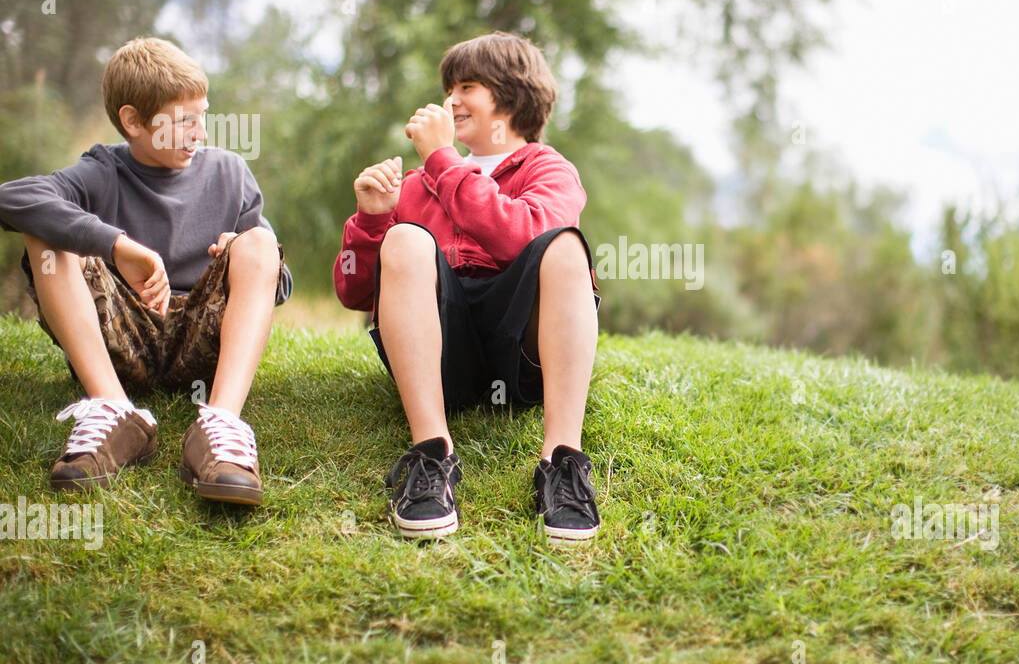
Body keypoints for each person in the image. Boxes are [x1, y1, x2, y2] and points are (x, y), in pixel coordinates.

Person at [334, 31, 602, 544]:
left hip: (522, 362)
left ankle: (562, 462)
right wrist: (371, 222)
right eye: (448, 88)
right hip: (443, 362)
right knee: (406, 240)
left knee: (565, 245)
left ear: (512, 94)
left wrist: (442, 159)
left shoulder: (548, 169)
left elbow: (522, 236)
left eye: (468, 87)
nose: (451, 100)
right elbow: (352, 291)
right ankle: (432, 455)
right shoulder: (416, 185)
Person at [0, 37, 291, 505]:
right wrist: (115, 245)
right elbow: (12, 198)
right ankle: (115, 411)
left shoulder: (231, 174)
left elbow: (278, 281)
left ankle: (219, 428)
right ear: (133, 121)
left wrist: (237, 252)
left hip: (200, 340)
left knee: (259, 241)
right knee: (44, 232)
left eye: (203, 116)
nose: (199, 132)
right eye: (183, 121)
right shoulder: (100, 172)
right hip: (121, 337)